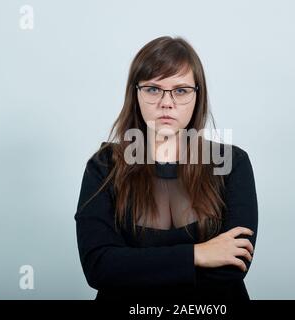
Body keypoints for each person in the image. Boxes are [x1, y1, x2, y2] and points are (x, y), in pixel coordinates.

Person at [74, 36, 258, 302]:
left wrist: (135, 268)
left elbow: (232, 267)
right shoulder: (104, 165)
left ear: (198, 94)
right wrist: (199, 254)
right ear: (135, 93)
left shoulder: (230, 162)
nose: (166, 103)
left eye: (181, 90)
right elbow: (99, 267)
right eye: (153, 89)